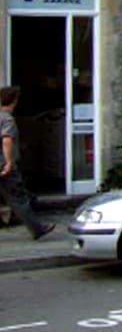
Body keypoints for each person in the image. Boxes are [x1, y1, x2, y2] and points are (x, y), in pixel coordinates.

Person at [0, 85, 56, 240]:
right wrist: (9, 162)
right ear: (15, 101)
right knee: (19, 199)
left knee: (19, 197)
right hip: (4, 167)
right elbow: (6, 140)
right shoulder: (7, 119)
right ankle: (38, 228)